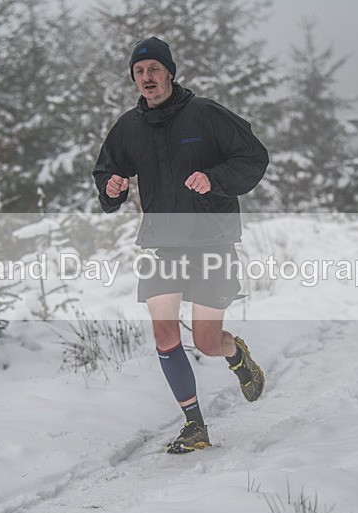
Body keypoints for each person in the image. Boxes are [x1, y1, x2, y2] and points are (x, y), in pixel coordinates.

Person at [93, 37, 269, 454]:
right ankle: (195, 426)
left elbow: (253, 156)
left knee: (207, 342)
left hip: (211, 239)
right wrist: (112, 187)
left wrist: (215, 179)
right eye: (139, 72)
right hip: (161, 243)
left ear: (169, 72)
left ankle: (235, 353)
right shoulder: (129, 128)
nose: (146, 78)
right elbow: (106, 173)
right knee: (165, 334)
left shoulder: (205, 114)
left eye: (154, 69)